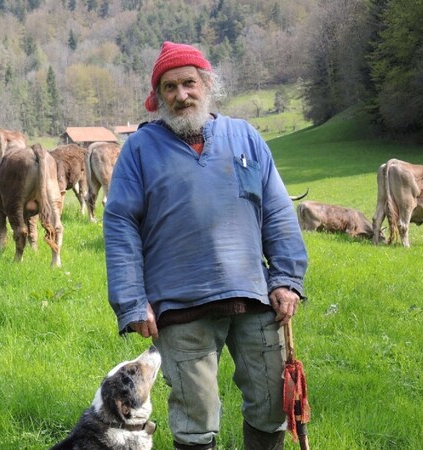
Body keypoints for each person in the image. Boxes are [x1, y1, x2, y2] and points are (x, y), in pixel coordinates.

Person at [103, 41, 307, 450]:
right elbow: (120, 223)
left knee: (271, 404)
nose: (181, 95)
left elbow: (278, 209)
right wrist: (131, 301)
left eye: (189, 83)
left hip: (253, 294)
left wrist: (286, 278)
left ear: (207, 84)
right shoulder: (140, 150)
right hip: (180, 305)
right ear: (157, 97)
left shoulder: (244, 137)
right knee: (196, 415)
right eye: (170, 88)